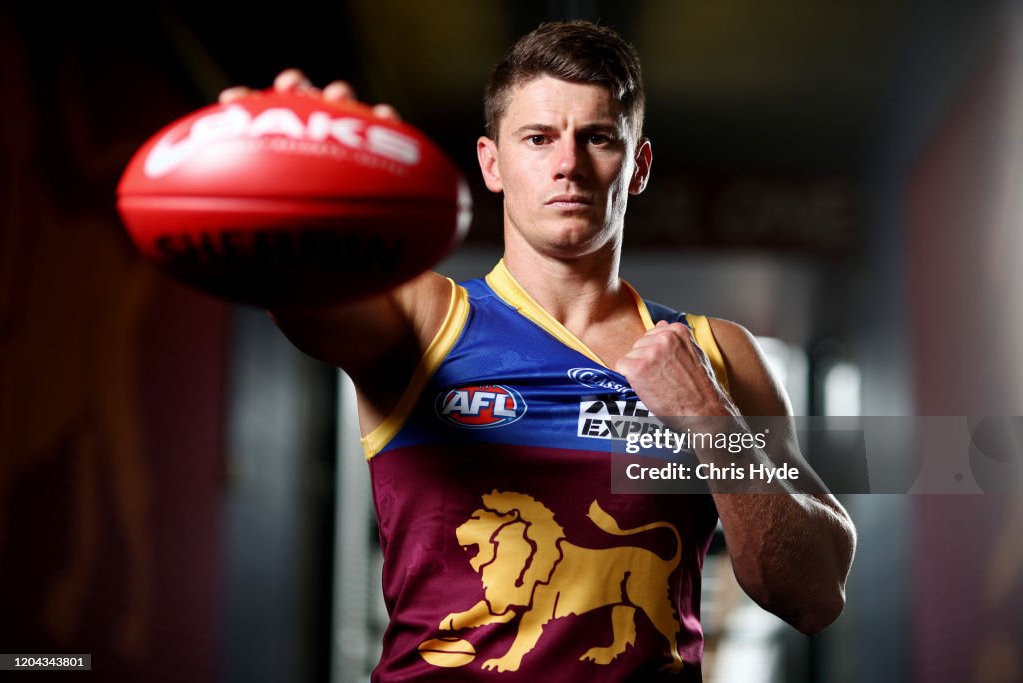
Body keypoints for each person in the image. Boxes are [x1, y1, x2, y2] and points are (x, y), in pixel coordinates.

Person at [222, 20, 855, 682]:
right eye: (538, 137)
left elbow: (811, 593)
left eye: (599, 137)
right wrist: (277, 174)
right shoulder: (422, 318)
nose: (568, 164)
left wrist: (709, 418)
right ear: (492, 163)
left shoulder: (717, 355)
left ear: (637, 166)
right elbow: (294, 288)